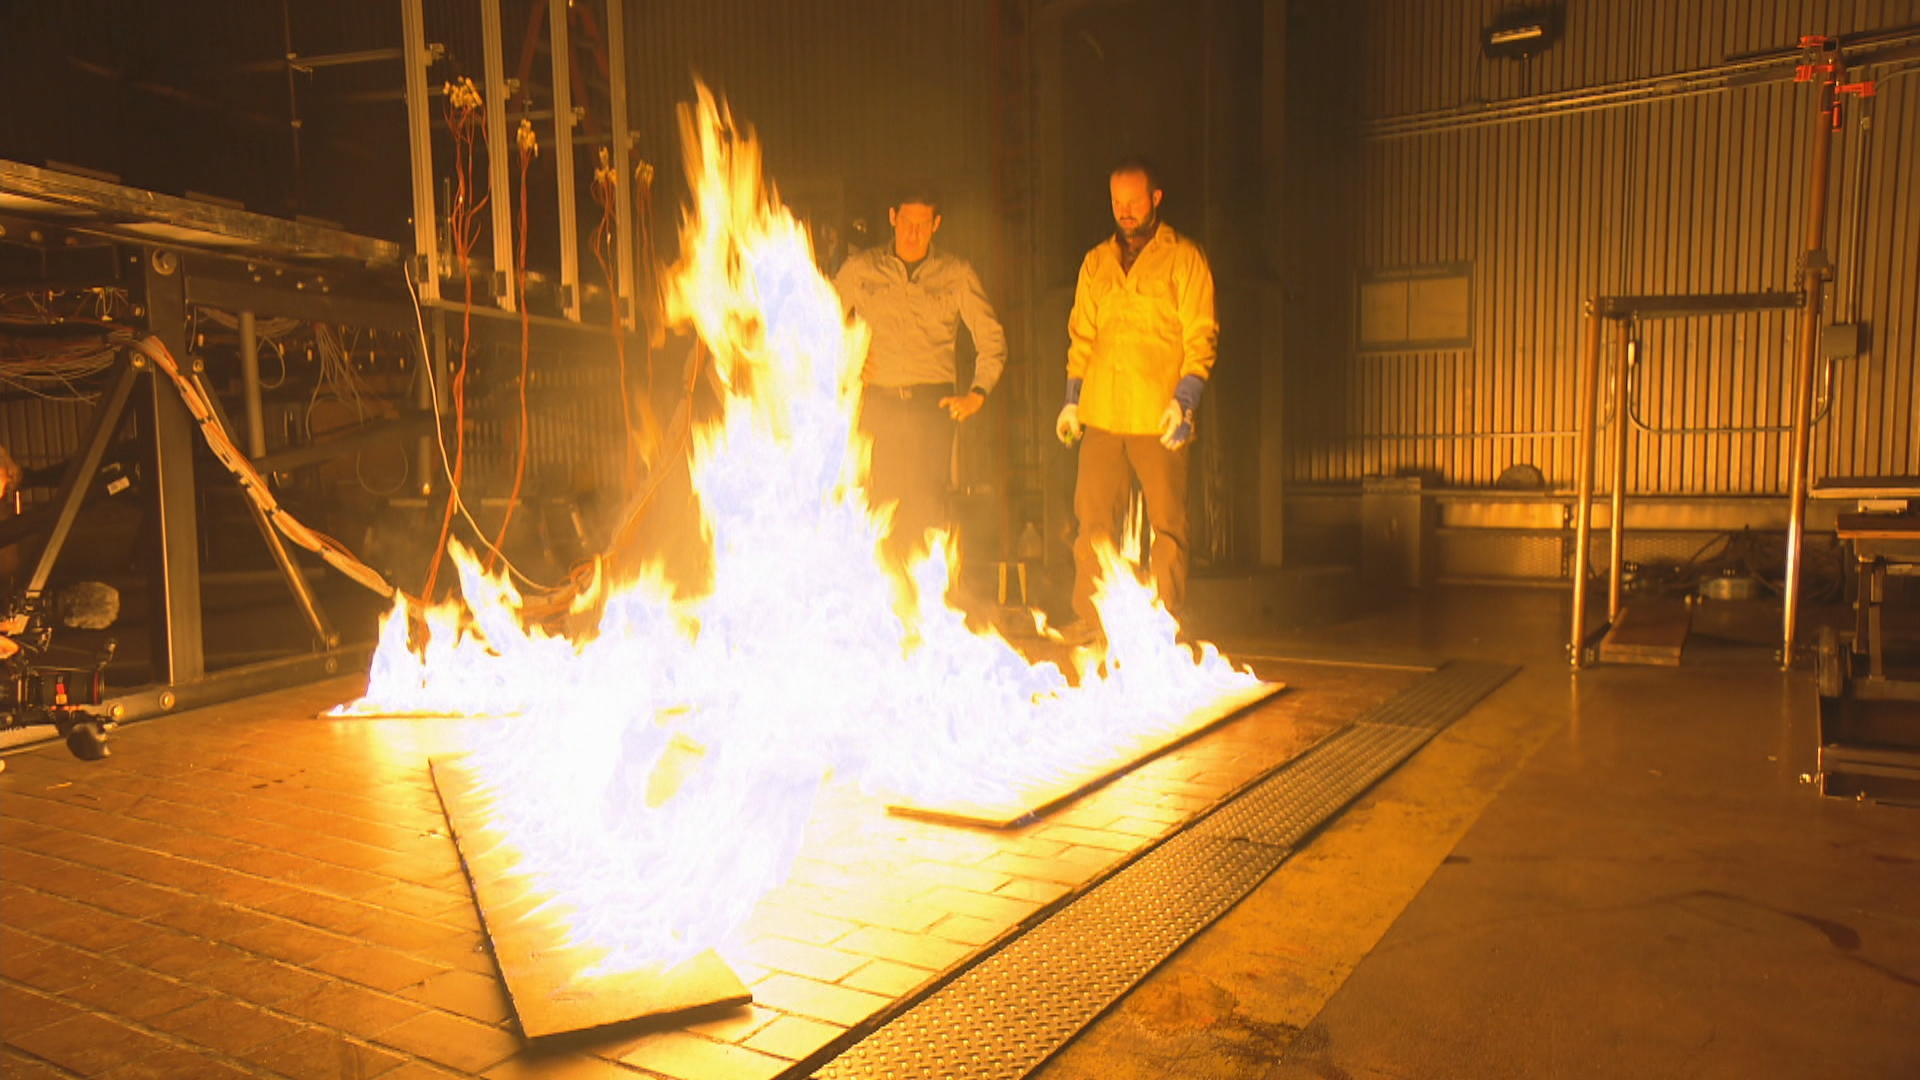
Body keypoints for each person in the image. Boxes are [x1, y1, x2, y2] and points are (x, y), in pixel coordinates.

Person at [1055, 157, 1217, 641]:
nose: (1124, 211)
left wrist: (1185, 400)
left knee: (1167, 526)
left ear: (1155, 199)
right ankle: (1091, 619)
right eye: (1117, 203)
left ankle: (1166, 620)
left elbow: (1201, 333)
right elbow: (1081, 335)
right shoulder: (1096, 262)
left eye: (1133, 201)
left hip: (1157, 416)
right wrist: (1071, 400)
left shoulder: (1184, 257)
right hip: (1102, 414)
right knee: (1092, 521)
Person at [834, 185, 1008, 567]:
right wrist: (847, 359)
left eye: (923, 224)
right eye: (907, 222)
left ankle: (927, 601)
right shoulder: (861, 270)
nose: (914, 232)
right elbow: (820, 322)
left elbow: (991, 337)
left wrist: (978, 392)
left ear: (936, 225)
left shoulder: (956, 273)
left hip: (933, 405)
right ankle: (879, 595)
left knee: (927, 504)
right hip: (876, 403)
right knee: (876, 503)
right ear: (893, 218)